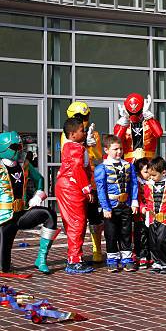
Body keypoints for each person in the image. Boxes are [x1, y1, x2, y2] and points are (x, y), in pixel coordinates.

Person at [0, 131, 59, 274]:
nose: (19, 149)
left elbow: (39, 179)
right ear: (2, 148)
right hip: (4, 219)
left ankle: (41, 259)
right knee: (2, 269)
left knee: (49, 215)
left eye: (20, 146)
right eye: (15, 146)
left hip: (22, 213)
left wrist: (38, 194)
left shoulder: (24, 164)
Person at [62, 101, 105, 263]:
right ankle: (74, 255)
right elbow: (71, 156)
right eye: (80, 117)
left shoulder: (94, 134)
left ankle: (97, 249)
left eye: (85, 117)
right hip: (76, 185)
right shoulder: (69, 133)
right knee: (76, 222)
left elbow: (99, 156)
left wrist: (91, 145)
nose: (84, 120)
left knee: (95, 218)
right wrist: (85, 143)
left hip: (91, 181)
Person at [94, 135, 139, 273]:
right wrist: (105, 207)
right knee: (111, 233)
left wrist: (134, 201)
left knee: (126, 233)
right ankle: (112, 260)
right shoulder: (102, 168)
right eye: (115, 149)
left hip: (125, 204)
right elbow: (101, 190)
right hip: (111, 206)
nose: (119, 152)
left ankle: (126, 259)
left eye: (120, 149)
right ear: (107, 150)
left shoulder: (128, 165)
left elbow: (134, 184)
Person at [56, 117, 94, 274]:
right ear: (72, 134)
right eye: (82, 131)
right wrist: (86, 188)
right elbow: (78, 168)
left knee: (73, 223)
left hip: (67, 186)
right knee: (77, 223)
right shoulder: (76, 149)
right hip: (72, 187)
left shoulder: (71, 146)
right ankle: (74, 260)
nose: (84, 133)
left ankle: (75, 256)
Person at [143, 157, 166, 274]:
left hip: (165, 218)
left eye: (154, 175)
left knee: (162, 240)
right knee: (153, 241)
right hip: (151, 218)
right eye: (150, 175)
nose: (151, 178)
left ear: (163, 173)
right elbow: (147, 200)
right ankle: (157, 262)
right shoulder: (148, 184)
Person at [115, 93, 163, 163]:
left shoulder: (150, 123)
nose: (135, 116)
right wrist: (124, 122)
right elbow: (116, 140)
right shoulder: (123, 125)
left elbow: (159, 133)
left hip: (148, 162)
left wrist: (148, 117)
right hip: (129, 163)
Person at [133, 158, 151, 269]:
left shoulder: (151, 181)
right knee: (141, 235)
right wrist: (142, 208)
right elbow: (137, 197)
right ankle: (142, 256)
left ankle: (150, 254)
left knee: (151, 235)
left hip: (151, 214)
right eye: (145, 171)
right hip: (141, 215)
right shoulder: (137, 183)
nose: (149, 174)